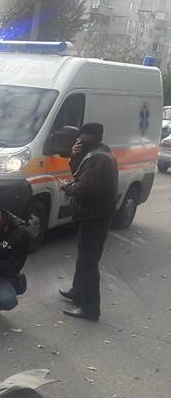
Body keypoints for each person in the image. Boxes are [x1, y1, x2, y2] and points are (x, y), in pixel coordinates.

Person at [59, 123, 118, 321]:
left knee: (89, 261)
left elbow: (83, 188)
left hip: (95, 216)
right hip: (94, 215)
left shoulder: (98, 158)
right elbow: (80, 173)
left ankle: (90, 308)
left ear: (89, 137)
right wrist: (74, 156)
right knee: (84, 258)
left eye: (80, 138)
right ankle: (77, 292)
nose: (78, 141)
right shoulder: (96, 154)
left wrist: (66, 187)